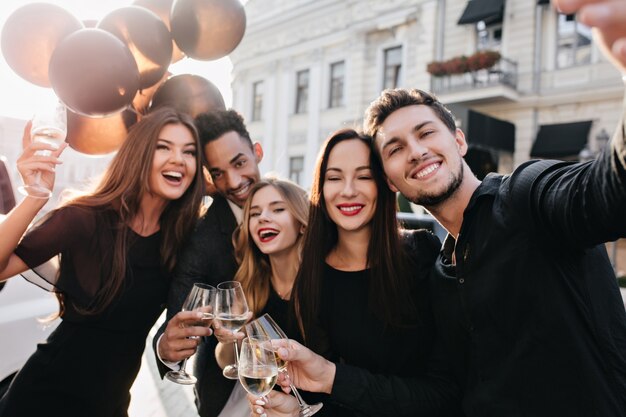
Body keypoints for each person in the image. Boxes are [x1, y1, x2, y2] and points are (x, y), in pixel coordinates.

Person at [359, 1, 626, 415]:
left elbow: (608, 191)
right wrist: (326, 376)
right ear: (391, 181)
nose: (416, 151)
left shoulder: (524, 195)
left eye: (426, 132)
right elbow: (445, 390)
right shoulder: (440, 273)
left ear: (459, 142)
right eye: (395, 148)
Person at [0, 107, 205, 417]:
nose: (178, 159)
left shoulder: (182, 239)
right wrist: (35, 196)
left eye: (189, 152)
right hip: (42, 399)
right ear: (139, 154)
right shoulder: (85, 218)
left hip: (111, 405)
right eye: (163, 147)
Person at [253, 129, 462, 417]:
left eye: (363, 176)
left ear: (383, 184)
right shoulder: (312, 277)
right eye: (334, 178)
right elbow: (324, 398)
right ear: (320, 189)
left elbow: (446, 392)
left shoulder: (421, 253)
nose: (348, 190)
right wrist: (296, 410)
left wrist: (333, 378)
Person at [153, 109, 264, 417]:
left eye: (239, 163)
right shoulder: (201, 236)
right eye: (218, 173)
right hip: (229, 392)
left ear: (257, 152)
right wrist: (166, 349)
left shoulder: (296, 210)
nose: (234, 182)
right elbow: (178, 314)